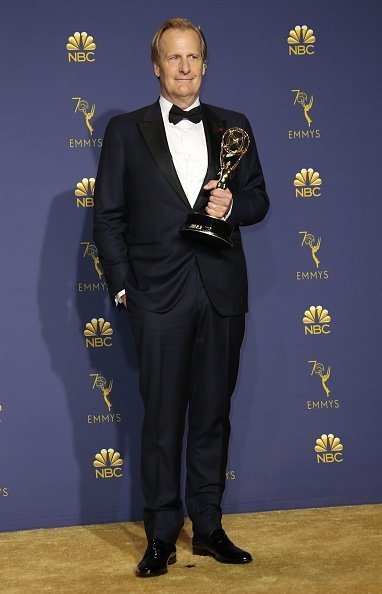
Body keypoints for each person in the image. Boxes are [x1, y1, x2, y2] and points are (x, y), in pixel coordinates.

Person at [93, 17, 269, 578]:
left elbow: (259, 199)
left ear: (205, 64)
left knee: (213, 416)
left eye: (193, 57)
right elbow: (108, 219)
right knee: (163, 421)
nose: (185, 67)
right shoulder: (125, 131)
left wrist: (232, 208)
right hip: (158, 297)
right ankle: (162, 535)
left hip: (221, 292)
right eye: (174, 58)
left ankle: (209, 528)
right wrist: (124, 287)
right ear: (157, 65)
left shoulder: (234, 126)